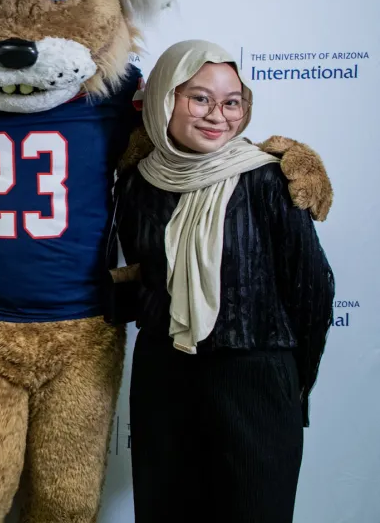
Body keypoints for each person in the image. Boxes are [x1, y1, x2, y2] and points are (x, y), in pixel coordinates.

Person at [114, 39, 335, 523]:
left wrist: (294, 380)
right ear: (163, 100)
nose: (219, 115)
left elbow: (312, 288)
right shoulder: (138, 182)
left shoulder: (269, 179)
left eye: (232, 102)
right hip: (165, 380)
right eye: (199, 98)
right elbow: (143, 275)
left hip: (255, 379)